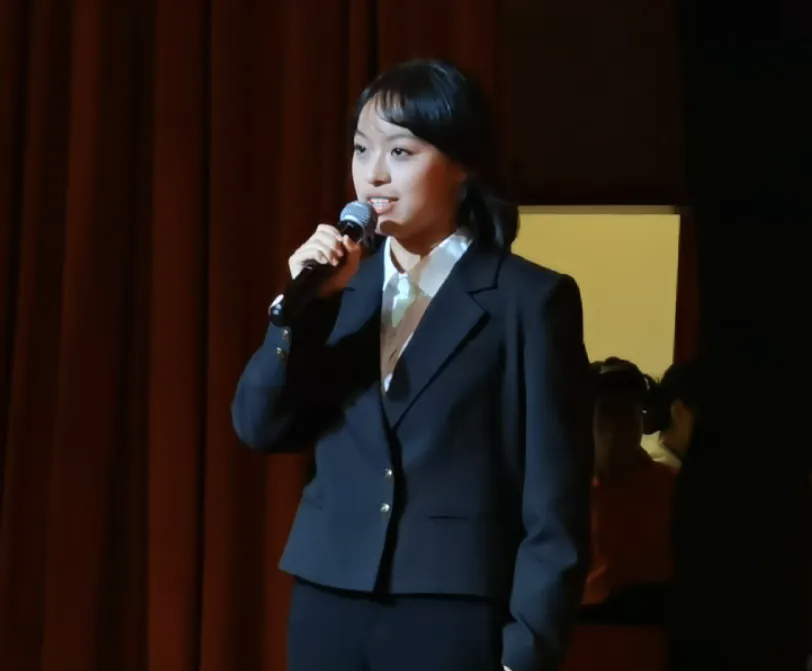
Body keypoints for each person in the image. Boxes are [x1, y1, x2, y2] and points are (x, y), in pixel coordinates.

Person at [231, 58, 593, 671]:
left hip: (452, 607)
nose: (373, 174)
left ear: (462, 163)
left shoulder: (528, 299)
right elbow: (260, 425)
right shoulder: (339, 291)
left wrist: (527, 650)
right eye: (361, 149)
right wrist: (301, 313)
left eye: (400, 152)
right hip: (329, 598)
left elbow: (555, 498)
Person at [582, 358, 677, 613]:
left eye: (627, 412)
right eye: (606, 411)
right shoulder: (560, 494)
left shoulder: (674, 489)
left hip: (655, 627)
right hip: (585, 629)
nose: (617, 424)